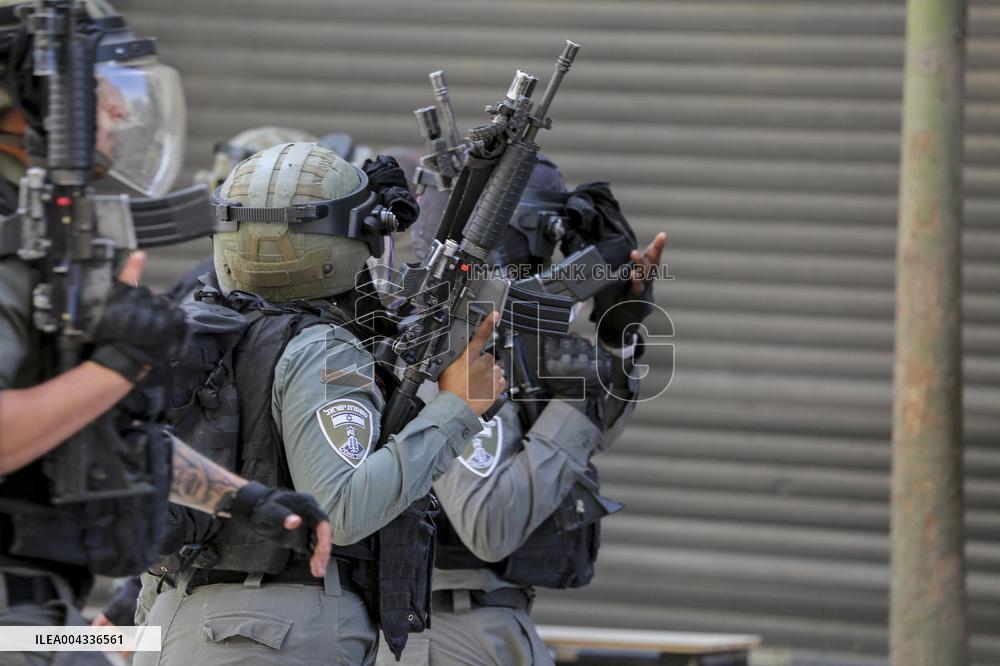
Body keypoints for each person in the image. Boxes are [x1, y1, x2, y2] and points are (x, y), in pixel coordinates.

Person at [0, 4, 335, 662]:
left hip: (37, 609)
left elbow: (93, 432)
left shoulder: (37, 232)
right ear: (29, 102)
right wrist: (121, 363)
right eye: (98, 87)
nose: (119, 110)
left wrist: (243, 502)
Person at [136, 142, 505, 666]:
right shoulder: (321, 348)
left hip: (173, 618)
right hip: (277, 635)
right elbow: (341, 511)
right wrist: (458, 408)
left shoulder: (200, 331)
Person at [375, 156, 665, 665]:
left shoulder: (501, 339)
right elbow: (489, 526)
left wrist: (618, 331)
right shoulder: (446, 352)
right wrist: (577, 401)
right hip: (447, 630)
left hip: (487, 621)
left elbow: (595, 436)